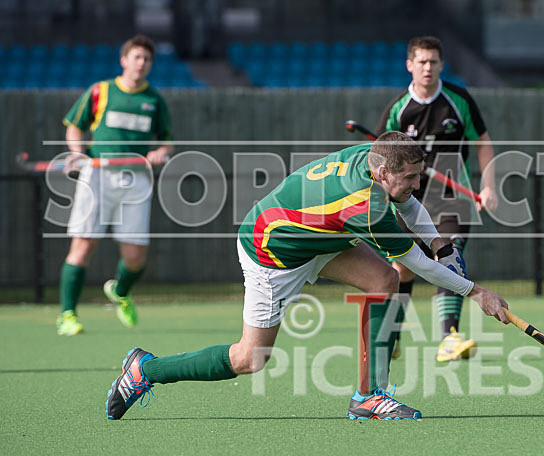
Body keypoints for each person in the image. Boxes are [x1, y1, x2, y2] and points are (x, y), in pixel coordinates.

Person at [104, 132, 508, 421]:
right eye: (410, 178)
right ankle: (145, 370)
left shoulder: (369, 157)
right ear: (383, 172)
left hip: (315, 235)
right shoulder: (366, 206)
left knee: (383, 281)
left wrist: (439, 243)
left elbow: (409, 205)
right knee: (251, 358)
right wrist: (477, 293)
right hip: (272, 250)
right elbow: (417, 265)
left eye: (420, 175)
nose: (418, 184)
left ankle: (368, 397)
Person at [376, 36, 498, 363]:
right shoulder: (398, 110)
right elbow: (378, 157)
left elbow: (482, 142)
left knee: (449, 255)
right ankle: (393, 336)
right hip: (406, 201)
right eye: (421, 61)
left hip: (451, 199)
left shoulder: (458, 101)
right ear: (410, 65)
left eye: (433, 61)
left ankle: (449, 337)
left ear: (441, 65)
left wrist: (488, 186)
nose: (427, 67)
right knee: (401, 269)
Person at [56, 34, 172, 336]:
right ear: (124, 60)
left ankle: (120, 292)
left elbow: (165, 141)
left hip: (136, 180)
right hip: (96, 177)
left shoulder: (154, 100)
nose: (141, 63)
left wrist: (160, 152)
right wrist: (77, 153)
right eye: (136, 57)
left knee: (135, 259)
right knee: (83, 246)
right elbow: (74, 126)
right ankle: (67, 314)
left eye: (147, 59)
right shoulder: (101, 91)